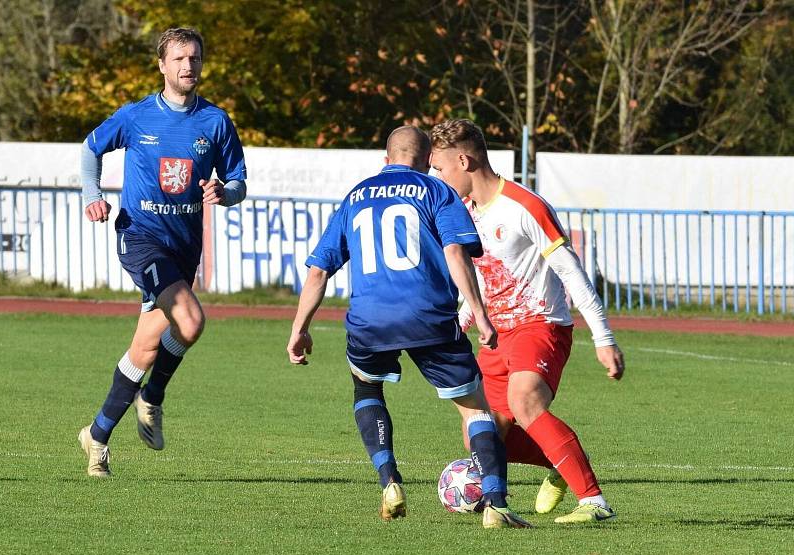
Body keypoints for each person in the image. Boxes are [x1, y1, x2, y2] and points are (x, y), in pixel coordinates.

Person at [287, 126, 530, 529]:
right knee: (474, 408)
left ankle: (389, 482)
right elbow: (455, 252)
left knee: (367, 388)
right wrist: (480, 313)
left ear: (386, 160)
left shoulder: (356, 196)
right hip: (428, 316)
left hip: (370, 320)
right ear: (426, 161)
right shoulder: (437, 192)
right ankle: (496, 504)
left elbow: (318, 271)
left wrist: (300, 328)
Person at [429, 118, 625, 524]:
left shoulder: (524, 206)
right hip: (495, 335)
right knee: (480, 433)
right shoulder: (462, 213)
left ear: (463, 161)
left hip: (540, 325)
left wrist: (604, 339)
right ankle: (560, 460)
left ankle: (594, 502)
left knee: (525, 401)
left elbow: (573, 273)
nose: (437, 178)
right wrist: (459, 323)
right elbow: (481, 281)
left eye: (440, 169)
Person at [77, 27, 247, 477]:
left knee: (147, 346)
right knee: (191, 320)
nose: (187, 66)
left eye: (194, 58)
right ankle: (152, 398)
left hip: (182, 248)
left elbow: (238, 183)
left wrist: (224, 193)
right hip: (140, 237)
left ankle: (96, 434)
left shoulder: (215, 122)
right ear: (162, 65)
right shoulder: (136, 117)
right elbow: (90, 148)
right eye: (178, 59)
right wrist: (91, 194)